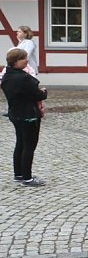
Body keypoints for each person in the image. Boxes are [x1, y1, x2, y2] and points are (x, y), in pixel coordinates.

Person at [1, 48, 48, 187]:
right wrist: (44, 92)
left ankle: (18, 174)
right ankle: (27, 178)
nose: (27, 60)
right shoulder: (23, 78)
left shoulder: (7, 76)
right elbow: (38, 95)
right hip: (29, 115)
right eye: (24, 58)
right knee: (29, 146)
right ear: (15, 62)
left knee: (20, 143)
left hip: (15, 114)